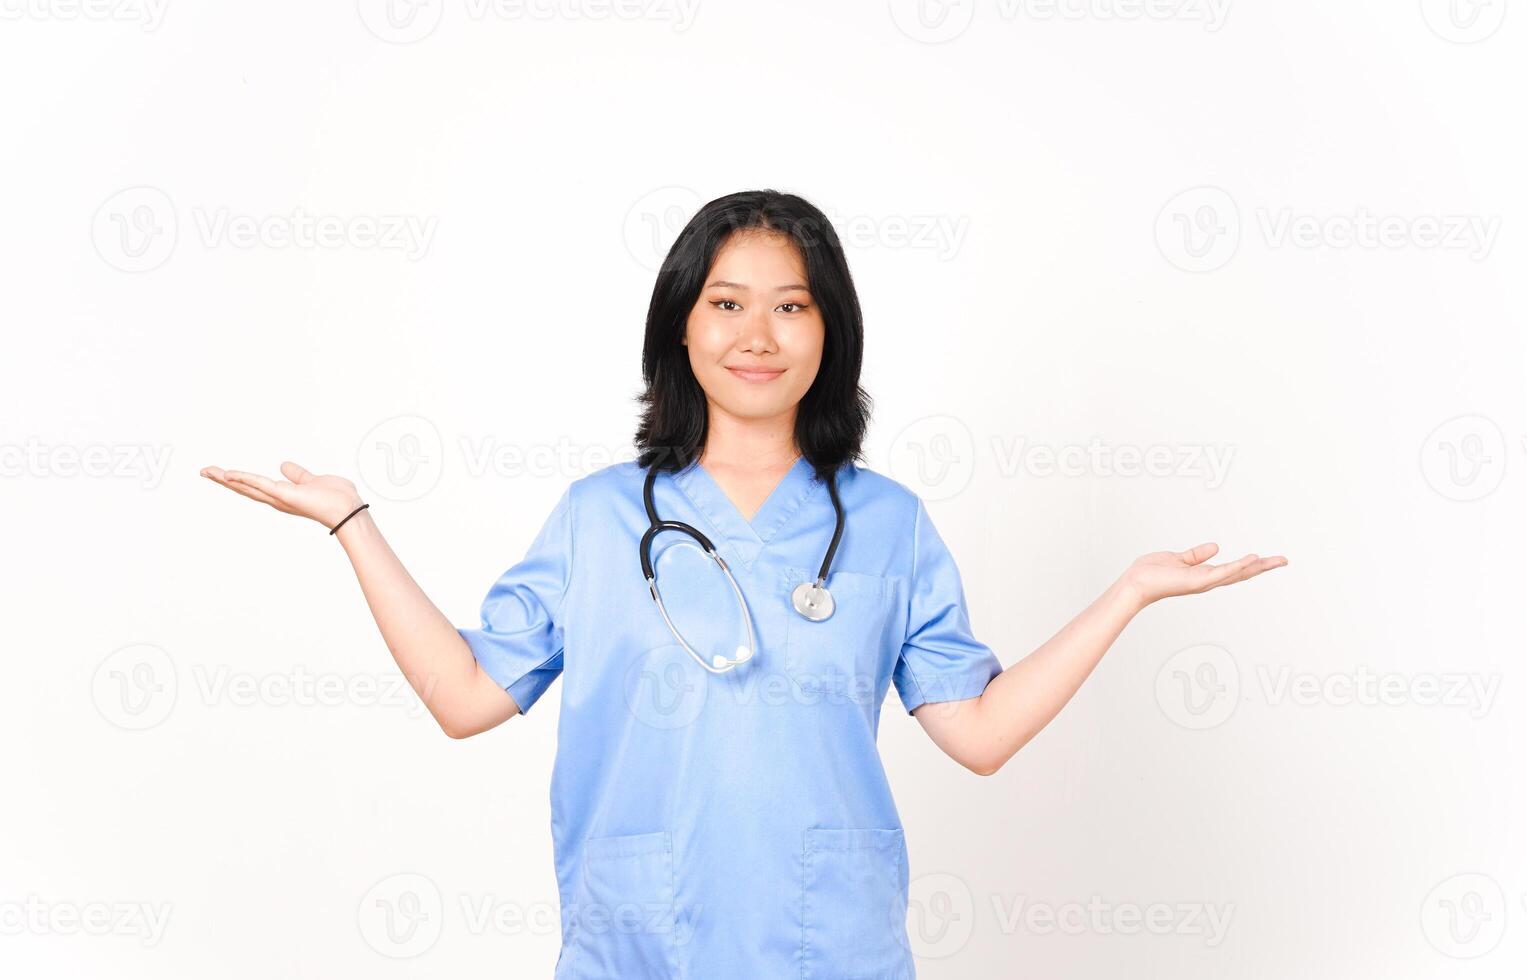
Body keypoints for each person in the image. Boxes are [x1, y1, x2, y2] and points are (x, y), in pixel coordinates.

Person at [201, 189, 1286, 978]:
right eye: (726, 303)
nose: (756, 335)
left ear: (831, 332)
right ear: (683, 322)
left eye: (791, 307)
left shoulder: (889, 523)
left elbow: (982, 731)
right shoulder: (600, 516)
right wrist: (353, 524)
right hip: (638, 943)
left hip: (834, 946)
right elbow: (466, 697)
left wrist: (1128, 592)